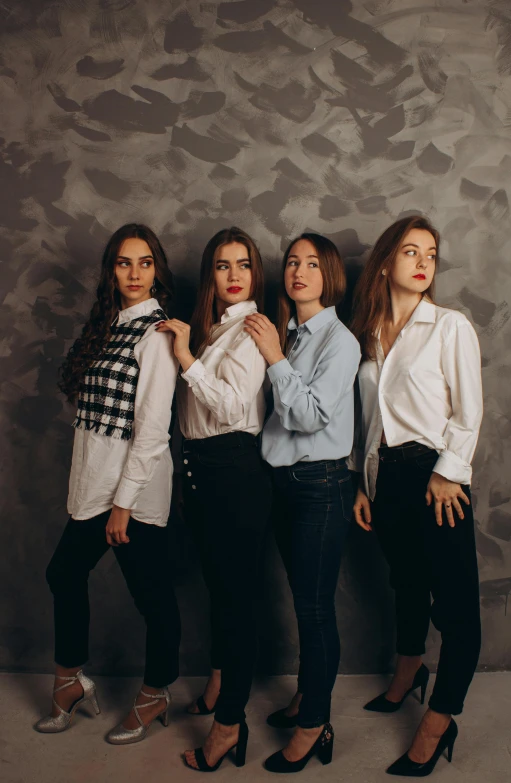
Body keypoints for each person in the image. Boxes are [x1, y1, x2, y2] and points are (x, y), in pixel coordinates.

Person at [35, 224, 180, 745]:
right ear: (111, 271)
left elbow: (153, 430)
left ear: (157, 269)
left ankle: (157, 690)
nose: (135, 273)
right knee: (64, 574)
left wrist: (123, 504)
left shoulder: (158, 333)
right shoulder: (112, 325)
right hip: (97, 486)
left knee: (153, 598)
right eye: (124, 263)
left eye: (144, 263)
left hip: (131, 493)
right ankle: (69, 682)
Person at [349, 215, 483, 776]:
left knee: (456, 610)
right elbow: (370, 421)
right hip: (387, 480)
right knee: (405, 584)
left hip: (436, 478)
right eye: (411, 251)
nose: (425, 261)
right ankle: (408, 672)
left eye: (431, 252)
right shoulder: (369, 336)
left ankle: (439, 719)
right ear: (386, 263)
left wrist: (450, 472)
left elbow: (468, 410)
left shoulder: (450, 326)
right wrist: (364, 480)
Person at [244, 233, 361, 773]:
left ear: (329, 275)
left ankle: (315, 723)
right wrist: (276, 352)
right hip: (285, 486)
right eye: (292, 261)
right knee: (301, 601)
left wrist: (271, 357)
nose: (299, 271)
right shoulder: (290, 335)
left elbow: (310, 416)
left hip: (320, 488)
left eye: (313, 263)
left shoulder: (340, 341)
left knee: (314, 611)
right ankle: (304, 700)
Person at [157, 226, 271, 772]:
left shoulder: (252, 329)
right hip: (200, 470)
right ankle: (219, 686)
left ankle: (228, 725)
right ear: (211, 275)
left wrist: (184, 356)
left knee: (237, 603)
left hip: (234, 471)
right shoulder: (212, 330)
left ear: (255, 273)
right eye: (223, 266)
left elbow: (228, 408)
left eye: (243, 264)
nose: (233, 275)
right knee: (219, 595)